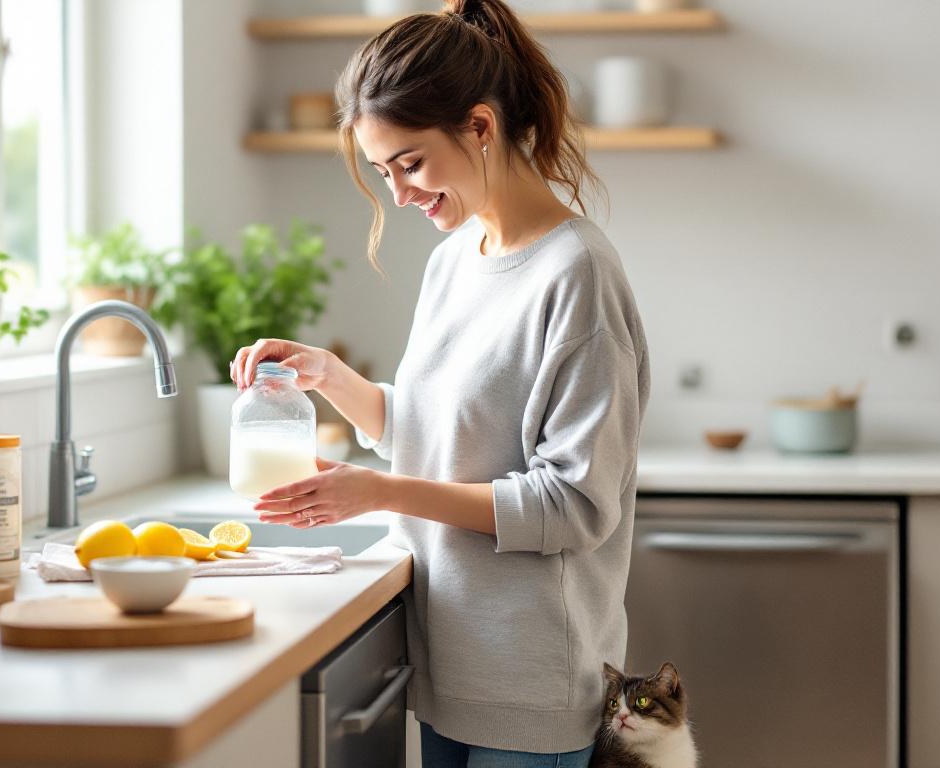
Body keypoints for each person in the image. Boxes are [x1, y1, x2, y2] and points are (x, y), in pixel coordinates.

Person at [230, 1, 650, 765]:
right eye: (385, 172)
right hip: (450, 668)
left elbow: (574, 505)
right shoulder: (456, 257)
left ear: (481, 127)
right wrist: (329, 376)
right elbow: (437, 430)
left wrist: (382, 491)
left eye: (412, 163)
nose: (400, 194)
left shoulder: (576, 274)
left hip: (530, 685)